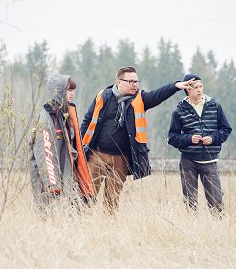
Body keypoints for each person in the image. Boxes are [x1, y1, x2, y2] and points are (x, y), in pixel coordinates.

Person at [80, 66, 196, 214]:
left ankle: (108, 226)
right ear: (119, 82)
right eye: (131, 81)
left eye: (136, 81)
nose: (135, 84)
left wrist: (175, 86)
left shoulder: (140, 99)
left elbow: (157, 95)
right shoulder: (103, 96)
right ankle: (81, 221)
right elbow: (88, 120)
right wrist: (80, 144)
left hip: (121, 158)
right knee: (87, 193)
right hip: (97, 154)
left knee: (112, 198)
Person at [168, 73, 232, 213]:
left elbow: (226, 129)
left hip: (210, 161)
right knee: (190, 203)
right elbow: (172, 137)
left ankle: (218, 231)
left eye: (201, 86)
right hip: (188, 162)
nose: (199, 90)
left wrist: (214, 138)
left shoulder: (215, 107)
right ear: (187, 90)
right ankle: (193, 231)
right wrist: (188, 139)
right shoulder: (179, 111)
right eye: (195, 87)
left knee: (216, 203)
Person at [29, 74, 94, 210]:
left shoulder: (64, 116)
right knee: (50, 219)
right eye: (69, 90)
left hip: (66, 182)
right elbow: (45, 155)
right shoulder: (46, 118)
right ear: (59, 91)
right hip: (50, 186)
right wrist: (53, 186)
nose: (72, 93)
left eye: (72, 90)